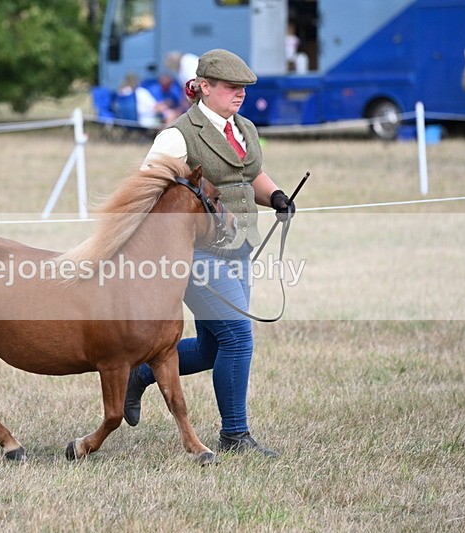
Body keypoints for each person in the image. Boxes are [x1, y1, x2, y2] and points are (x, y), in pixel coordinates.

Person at [123, 49, 295, 457]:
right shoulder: (178, 136)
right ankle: (235, 435)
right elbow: (148, 190)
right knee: (238, 337)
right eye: (231, 88)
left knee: (210, 347)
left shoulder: (245, 127)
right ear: (204, 88)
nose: (239, 95)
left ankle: (141, 374)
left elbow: (248, 175)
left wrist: (275, 196)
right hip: (197, 255)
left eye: (243, 90)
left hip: (240, 247)